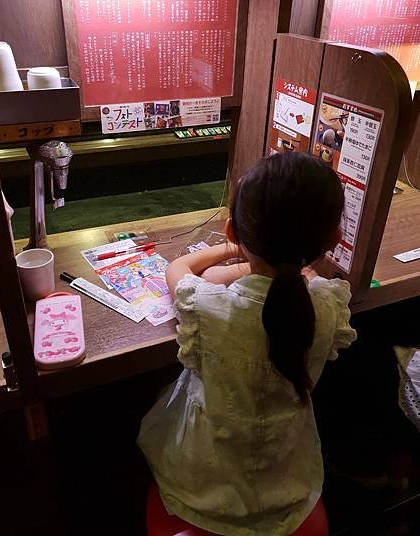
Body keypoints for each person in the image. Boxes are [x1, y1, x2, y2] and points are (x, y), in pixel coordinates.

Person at [138, 152, 357, 535]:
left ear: (232, 231)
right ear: (334, 241)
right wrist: (246, 253)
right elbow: (286, 276)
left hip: (202, 486)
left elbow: (179, 269)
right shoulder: (328, 303)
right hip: (288, 480)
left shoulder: (207, 308)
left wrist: (231, 249)